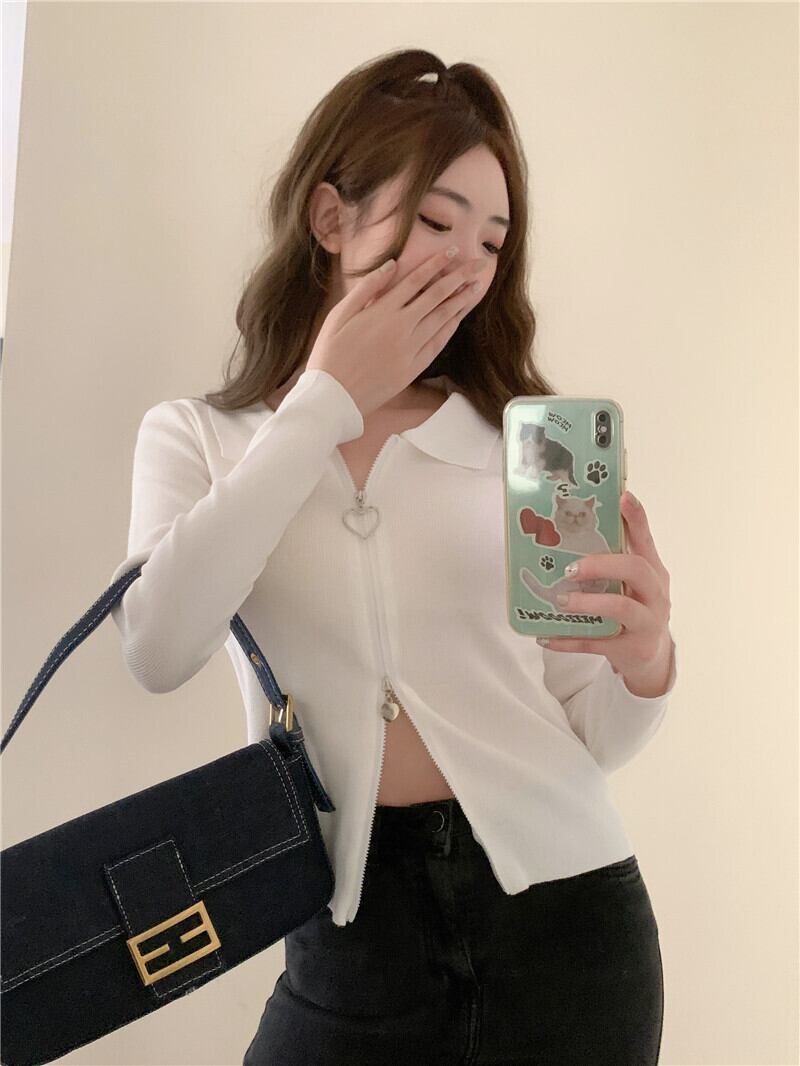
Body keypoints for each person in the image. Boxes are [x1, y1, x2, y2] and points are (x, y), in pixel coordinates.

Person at [109, 48, 677, 1066]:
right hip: (346, 939)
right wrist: (324, 401)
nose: (467, 260)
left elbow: (585, 733)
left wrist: (643, 664)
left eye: (492, 239)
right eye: (436, 220)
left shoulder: (523, 442)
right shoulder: (201, 437)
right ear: (332, 219)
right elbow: (157, 646)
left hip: (568, 926)